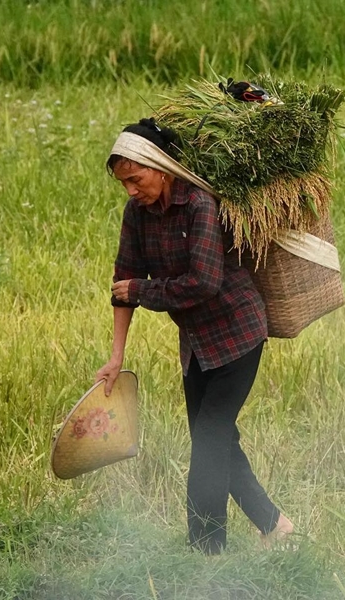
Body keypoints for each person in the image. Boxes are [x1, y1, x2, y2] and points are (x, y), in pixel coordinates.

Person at [95, 118, 293, 554]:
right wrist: (116, 355)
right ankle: (274, 525)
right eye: (123, 183)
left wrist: (143, 291)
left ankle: (206, 550)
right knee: (216, 438)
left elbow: (204, 282)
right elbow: (123, 279)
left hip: (238, 334)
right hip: (197, 346)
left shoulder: (200, 203)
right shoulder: (137, 215)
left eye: (136, 179)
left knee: (208, 441)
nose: (130, 190)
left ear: (160, 166)